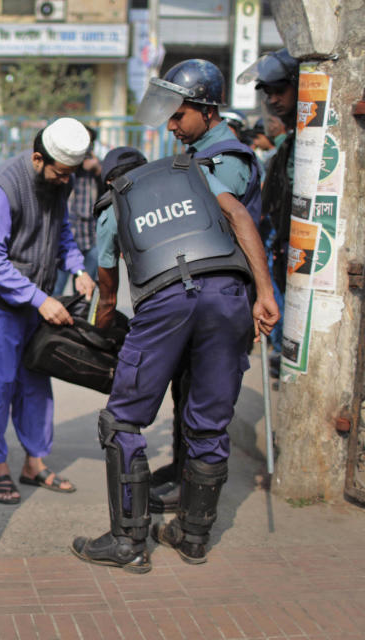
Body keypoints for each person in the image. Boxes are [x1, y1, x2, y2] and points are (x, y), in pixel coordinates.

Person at [71, 144, 279, 572]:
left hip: (166, 302)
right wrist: (265, 293)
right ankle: (193, 537)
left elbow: (108, 289)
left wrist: (105, 325)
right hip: (228, 296)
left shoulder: (116, 202)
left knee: (123, 420)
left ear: (111, 180)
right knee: (209, 421)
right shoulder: (190, 174)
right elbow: (240, 217)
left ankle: (128, 543)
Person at [134, 59, 264, 513]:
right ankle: (182, 474)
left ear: (207, 111)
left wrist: (264, 295)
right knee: (185, 392)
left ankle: (194, 510)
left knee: (205, 408)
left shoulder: (227, 161)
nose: (171, 125)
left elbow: (236, 221)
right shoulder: (195, 155)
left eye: (179, 115)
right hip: (192, 299)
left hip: (222, 304)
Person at [0, 118, 95, 505]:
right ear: (39, 159)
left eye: (69, 175)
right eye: (60, 173)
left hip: (36, 306)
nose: (65, 182)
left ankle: (34, 462)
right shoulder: (1, 189)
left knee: (37, 385)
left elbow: (63, 231)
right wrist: (42, 299)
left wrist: (78, 268)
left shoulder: (59, 180)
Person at [239, 48, 299, 367]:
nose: (274, 99)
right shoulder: (290, 143)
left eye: (281, 91)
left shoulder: (308, 141)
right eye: (269, 93)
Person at [53, 126, 101, 296]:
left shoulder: (96, 166)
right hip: (65, 239)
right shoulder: (62, 166)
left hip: (90, 238)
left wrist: (98, 170)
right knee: (55, 291)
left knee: (83, 294)